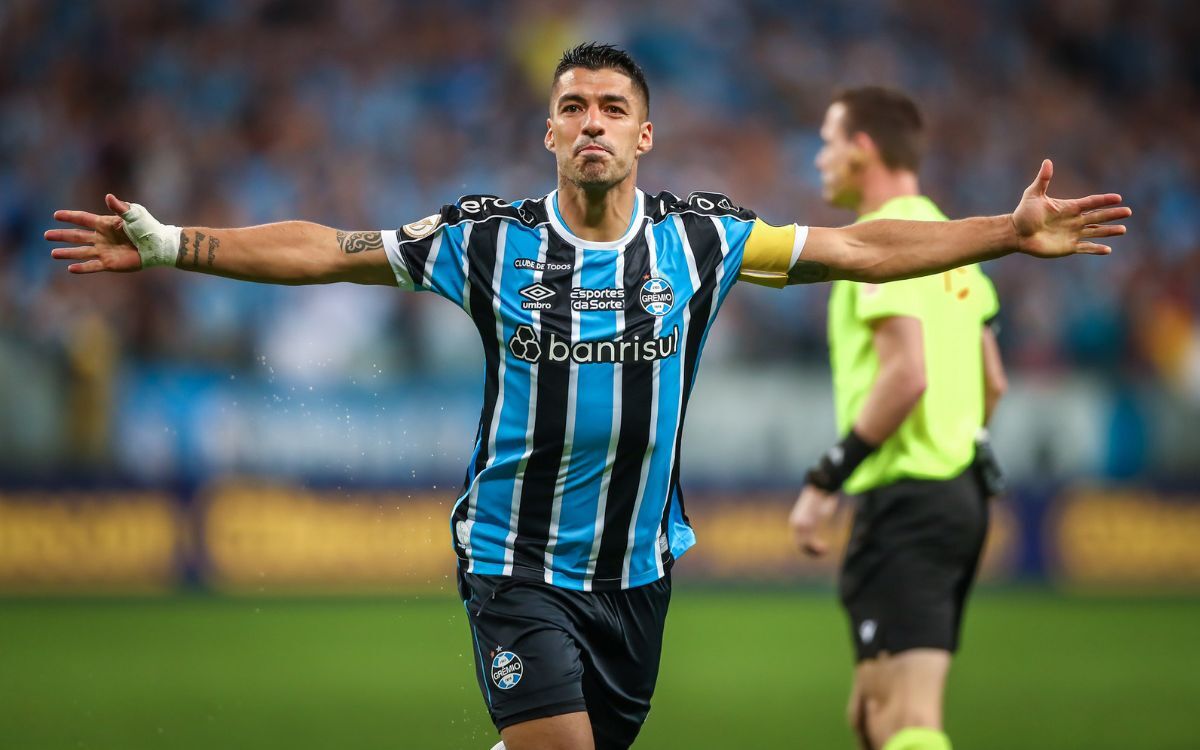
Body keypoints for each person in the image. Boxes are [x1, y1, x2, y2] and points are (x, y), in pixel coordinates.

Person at [47, 43, 1127, 750]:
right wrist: (179, 243)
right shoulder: (486, 241)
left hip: (639, 577)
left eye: (615, 106)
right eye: (575, 108)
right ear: (551, 133)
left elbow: (858, 245)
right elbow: (330, 250)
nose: (595, 121)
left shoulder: (704, 239)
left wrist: (1005, 231)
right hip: (516, 567)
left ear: (645, 135)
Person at [789, 87, 1013, 750]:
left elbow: (907, 373)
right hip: (956, 492)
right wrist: (958, 440)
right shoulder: (954, 245)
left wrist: (825, 478)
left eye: (829, 141)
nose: (819, 158)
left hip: (910, 494)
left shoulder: (886, 245)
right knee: (871, 717)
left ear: (863, 149)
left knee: (906, 722)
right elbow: (991, 381)